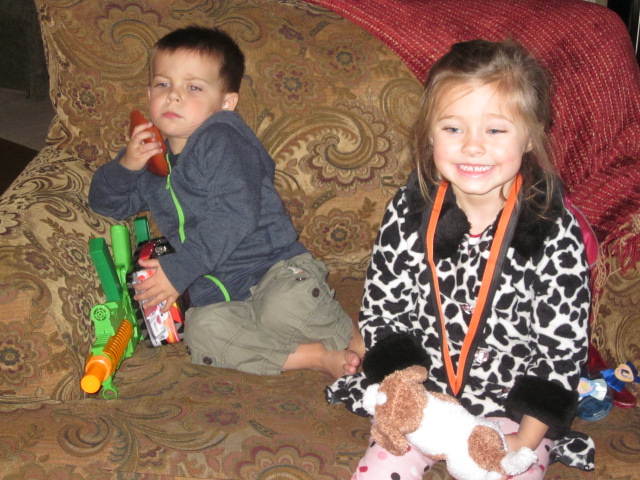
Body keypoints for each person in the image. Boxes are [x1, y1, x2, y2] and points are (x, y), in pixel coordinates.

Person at [326, 39, 591, 479]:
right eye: (453, 128)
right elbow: (383, 311)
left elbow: (561, 350)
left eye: (495, 130)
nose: (472, 147)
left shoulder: (551, 230)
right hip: (424, 401)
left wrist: (524, 441)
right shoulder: (410, 209)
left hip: (512, 415)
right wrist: (406, 397)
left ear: (530, 135)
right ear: (430, 133)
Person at [89, 25, 364, 378]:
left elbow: (236, 214)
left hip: (273, 270)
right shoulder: (151, 160)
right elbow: (107, 204)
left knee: (282, 307)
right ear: (148, 94)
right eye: (163, 84)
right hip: (223, 295)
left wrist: (179, 270)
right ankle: (313, 356)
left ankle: (359, 342)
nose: (173, 97)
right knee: (202, 331)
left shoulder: (221, 138)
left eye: (193, 87)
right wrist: (127, 166)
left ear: (225, 104)